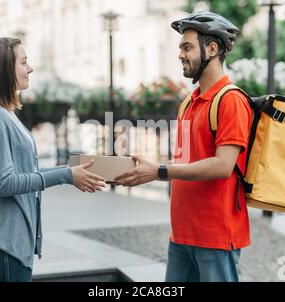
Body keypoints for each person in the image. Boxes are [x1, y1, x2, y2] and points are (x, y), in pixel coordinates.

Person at [114, 12, 252, 282]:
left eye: (187, 47)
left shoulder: (231, 101)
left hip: (216, 238)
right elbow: (186, 161)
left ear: (212, 49)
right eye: (180, 48)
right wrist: (149, 167)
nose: (180, 54)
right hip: (181, 235)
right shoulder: (188, 102)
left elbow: (223, 166)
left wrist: (159, 172)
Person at [0, 37, 106, 282]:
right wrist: (65, 176)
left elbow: (25, 169)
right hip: (4, 244)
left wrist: (68, 171)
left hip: (11, 241)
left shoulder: (3, 112)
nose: (30, 68)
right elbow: (5, 183)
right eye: (23, 62)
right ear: (4, 68)